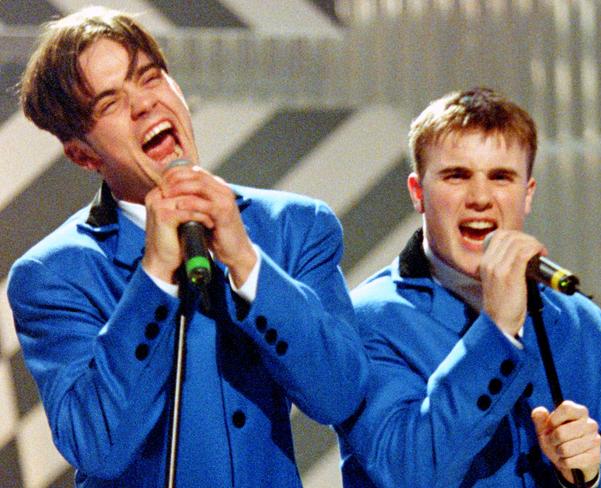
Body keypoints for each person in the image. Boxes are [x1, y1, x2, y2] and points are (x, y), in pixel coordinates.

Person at [8, 7, 368, 487]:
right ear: (82, 154)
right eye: (110, 103)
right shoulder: (54, 275)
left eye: (150, 78)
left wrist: (246, 262)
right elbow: (96, 446)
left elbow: (340, 393)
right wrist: (154, 277)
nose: (144, 105)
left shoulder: (293, 226)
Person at [336, 88, 601, 487]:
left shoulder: (574, 319)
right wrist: (496, 330)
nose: (480, 198)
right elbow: (406, 474)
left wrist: (591, 474)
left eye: (501, 177)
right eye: (457, 175)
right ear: (418, 193)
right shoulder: (367, 319)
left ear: (527, 194)